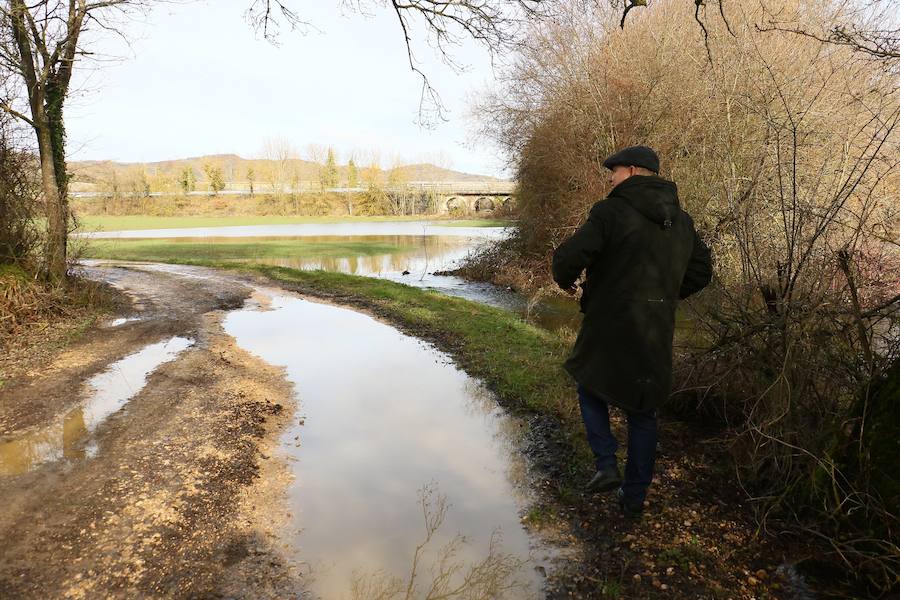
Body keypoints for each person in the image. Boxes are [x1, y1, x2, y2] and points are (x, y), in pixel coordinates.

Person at [551, 145, 712, 517]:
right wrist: (665, 295)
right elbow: (702, 272)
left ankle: (606, 464)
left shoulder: (611, 211)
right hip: (655, 328)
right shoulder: (682, 220)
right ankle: (634, 498)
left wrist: (566, 279)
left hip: (608, 319)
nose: (611, 177)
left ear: (634, 171)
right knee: (643, 411)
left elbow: (570, 257)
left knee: (588, 384)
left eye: (616, 170)